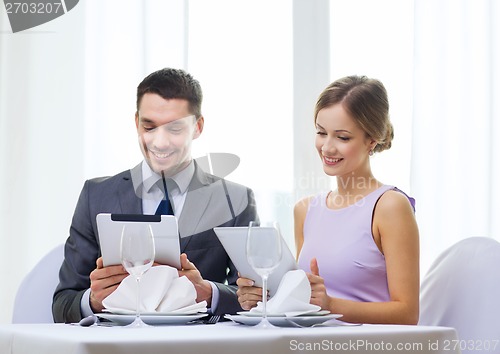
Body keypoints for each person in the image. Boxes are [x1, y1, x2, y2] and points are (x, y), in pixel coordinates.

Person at [53, 68, 258, 323]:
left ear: (198, 126)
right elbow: (62, 304)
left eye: (174, 129)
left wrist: (210, 293)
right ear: (136, 122)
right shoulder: (96, 196)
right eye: (149, 127)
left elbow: (258, 298)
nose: (160, 143)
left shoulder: (236, 200)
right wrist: (93, 300)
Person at [237, 75, 419, 324]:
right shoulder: (306, 209)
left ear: (371, 140)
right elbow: (304, 297)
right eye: (322, 133)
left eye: (342, 137)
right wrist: (261, 297)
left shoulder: (389, 206)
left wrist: (331, 305)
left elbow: (407, 314)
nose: (327, 147)